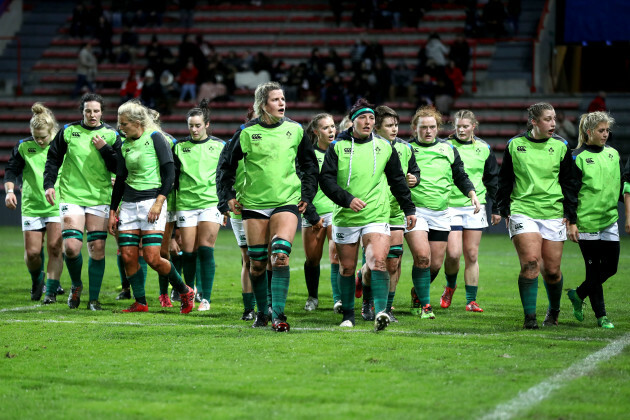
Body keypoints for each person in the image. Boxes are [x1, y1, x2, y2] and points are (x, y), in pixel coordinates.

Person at [217, 81, 319, 332]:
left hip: (286, 201)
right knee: (258, 263)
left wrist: (307, 193)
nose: (282, 103)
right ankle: (262, 313)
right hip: (253, 204)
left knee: (281, 256)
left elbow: (309, 165)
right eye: (275, 100)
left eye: (283, 99)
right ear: (263, 105)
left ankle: (279, 315)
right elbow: (226, 166)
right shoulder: (246, 132)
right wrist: (226, 197)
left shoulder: (295, 130)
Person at [319, 99, 417, 330]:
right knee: (347, 268)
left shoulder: (384, 147)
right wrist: (347, 199)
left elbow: (397, 181)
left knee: (378, 262)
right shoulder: (337, 147)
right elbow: (326, 180)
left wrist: (409, 208)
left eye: (372, 118)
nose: (368, 122)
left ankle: (381, 312)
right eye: (362, 117)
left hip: (376, 214)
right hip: (346, 216)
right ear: (352, 121)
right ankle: (348, 316)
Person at [108, 100, 195, 313]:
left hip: (151, 203)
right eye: (119, 123)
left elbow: (169, 173)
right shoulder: (124, 144)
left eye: (124, 124)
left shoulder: (155, 138)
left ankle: (185, 291)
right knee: (127, 255)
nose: (120, 128)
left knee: (153, 258)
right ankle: (140, 302)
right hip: (128, 204)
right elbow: (120, 179)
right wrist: (112, 210)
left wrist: (159, 201)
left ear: (138, 122)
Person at [497, 102, 577, 329]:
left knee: (552, 272)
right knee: (531, 263)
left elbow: (569, 183)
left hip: (553, 212)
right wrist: (503, 209)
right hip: (523, 210)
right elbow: (505, 179)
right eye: (548, 119)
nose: (553, 124)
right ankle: (530, 318)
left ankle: (554, 311)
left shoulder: (561, 145)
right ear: (534, 121)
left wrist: (571, 215)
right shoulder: (515, 145)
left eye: (554, 119)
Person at [44, 93, 121, 310]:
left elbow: (119, 167)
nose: (92, 114)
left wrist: (104, 149)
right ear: (82, 112)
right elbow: (53, 159)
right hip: (72, 195)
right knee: (71, 247)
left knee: (97, 248)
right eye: (88, 111)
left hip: (99, 197)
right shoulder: (69, 131)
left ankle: (93, 299)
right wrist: (49, 184)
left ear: (102, 112)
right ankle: (76, 285)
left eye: (96, 111)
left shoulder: (112, 135)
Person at [406, 106, 479, 320]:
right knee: (422, 257)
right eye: (423, 127)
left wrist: (472, 194)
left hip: (440, 213)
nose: (428, 131)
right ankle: (425, 304)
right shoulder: (407, 150)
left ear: (438, 128)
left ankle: (416, 293)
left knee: (436, 264)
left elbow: (460, 176)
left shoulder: (448, 149)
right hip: (415, 211)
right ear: (414, 128)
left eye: (432, 127)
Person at [357, 105, 420, 323]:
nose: (394, 129)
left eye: (396, 125)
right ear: (377, 127)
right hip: (374, 213)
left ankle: (386, 307)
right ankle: (367, 301)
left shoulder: (405, 148)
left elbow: (414, 171)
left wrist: (414, 179)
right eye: (389, 125)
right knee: (374, 263)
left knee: (393, 262)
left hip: (395, 212)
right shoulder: (367, 147)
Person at [4, 103, 65, 303]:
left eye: (44, 137)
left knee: (55, 249)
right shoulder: (24, 146)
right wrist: (10, 191)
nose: (39, 141)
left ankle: (51, 292)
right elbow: (11, 171)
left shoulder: (62, 147)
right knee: (32, 254)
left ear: (52, 132)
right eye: (36, 137)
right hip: (32, 205)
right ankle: (37, 280)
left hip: (56, 204)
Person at [441, 110, 499, 313]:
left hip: (476, 206)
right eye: (458, 126)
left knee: (472, 255)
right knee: (454, 254)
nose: (461, 130)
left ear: (474, 126)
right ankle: (450, 286)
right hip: (450, 205)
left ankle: (471, 301)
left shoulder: (483, 148)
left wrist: (496, 208)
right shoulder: (445, 146)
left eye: (465, 126)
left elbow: (492, 179)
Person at [566, 112, 620, 329]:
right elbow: (570, 191)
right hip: (586, 222)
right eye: (601, 130)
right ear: (589, 132)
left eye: (607, 130)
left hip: (609, 219)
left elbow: (615, 184)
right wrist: (572, 221)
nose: (605, 134)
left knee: (611, 268)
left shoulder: (613, 154)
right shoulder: (576, 156)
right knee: (594, 271)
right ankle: (602, 316)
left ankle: (578, 294)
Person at [173, 99, 225, 312]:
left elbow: (224, 177)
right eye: (191, 126)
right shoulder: (179, 147)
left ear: (207, 125)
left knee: (205, 249)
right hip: (186, 204)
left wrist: (225, 204)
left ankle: (206, 298)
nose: (194, 129)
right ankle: (189, 291)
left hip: (210, 203)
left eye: (198, 125)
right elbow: (174, 181)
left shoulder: (219, 146)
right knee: (188, 251)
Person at [301, 113, 340, 312]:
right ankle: (312, 297)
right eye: (326, 128)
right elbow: (304, 186)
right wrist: (312, 215)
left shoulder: (341, 152)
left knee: (336, 255)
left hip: (337, 213)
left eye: (333, 126)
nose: (331, 130)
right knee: (313, 260)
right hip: (313, 213)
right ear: (316, 132)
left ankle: (338, 299)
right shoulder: (309, 155)